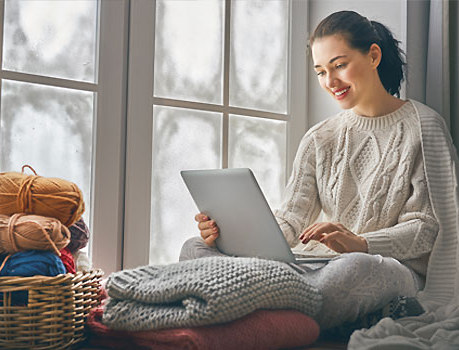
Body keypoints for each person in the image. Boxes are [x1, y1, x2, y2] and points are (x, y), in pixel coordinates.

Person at [180, 10, 440, 330]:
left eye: (339, 65)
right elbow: (292, 218)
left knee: (354, 270)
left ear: (373, 56)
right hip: (314, 267)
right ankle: (278, 312)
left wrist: (361, 242)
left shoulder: (422, 128)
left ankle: (246, 308)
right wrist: (229, 235)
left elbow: (425, 230)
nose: (330, 82)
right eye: (320, 71)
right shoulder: (320, 137)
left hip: (381, 268)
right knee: (193, 248)